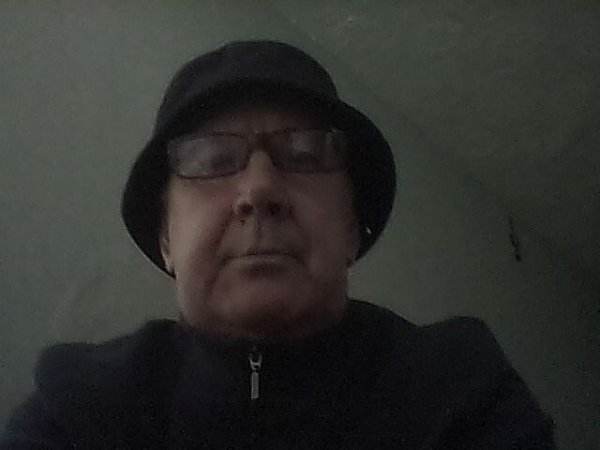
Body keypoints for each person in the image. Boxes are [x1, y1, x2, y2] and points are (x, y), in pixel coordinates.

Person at [0, 40, 556, 449]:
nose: (259, 190)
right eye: (210, 160)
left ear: (352, 226)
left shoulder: (457, 386)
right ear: (166, 239)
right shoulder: (78, 404)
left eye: (306, 155)